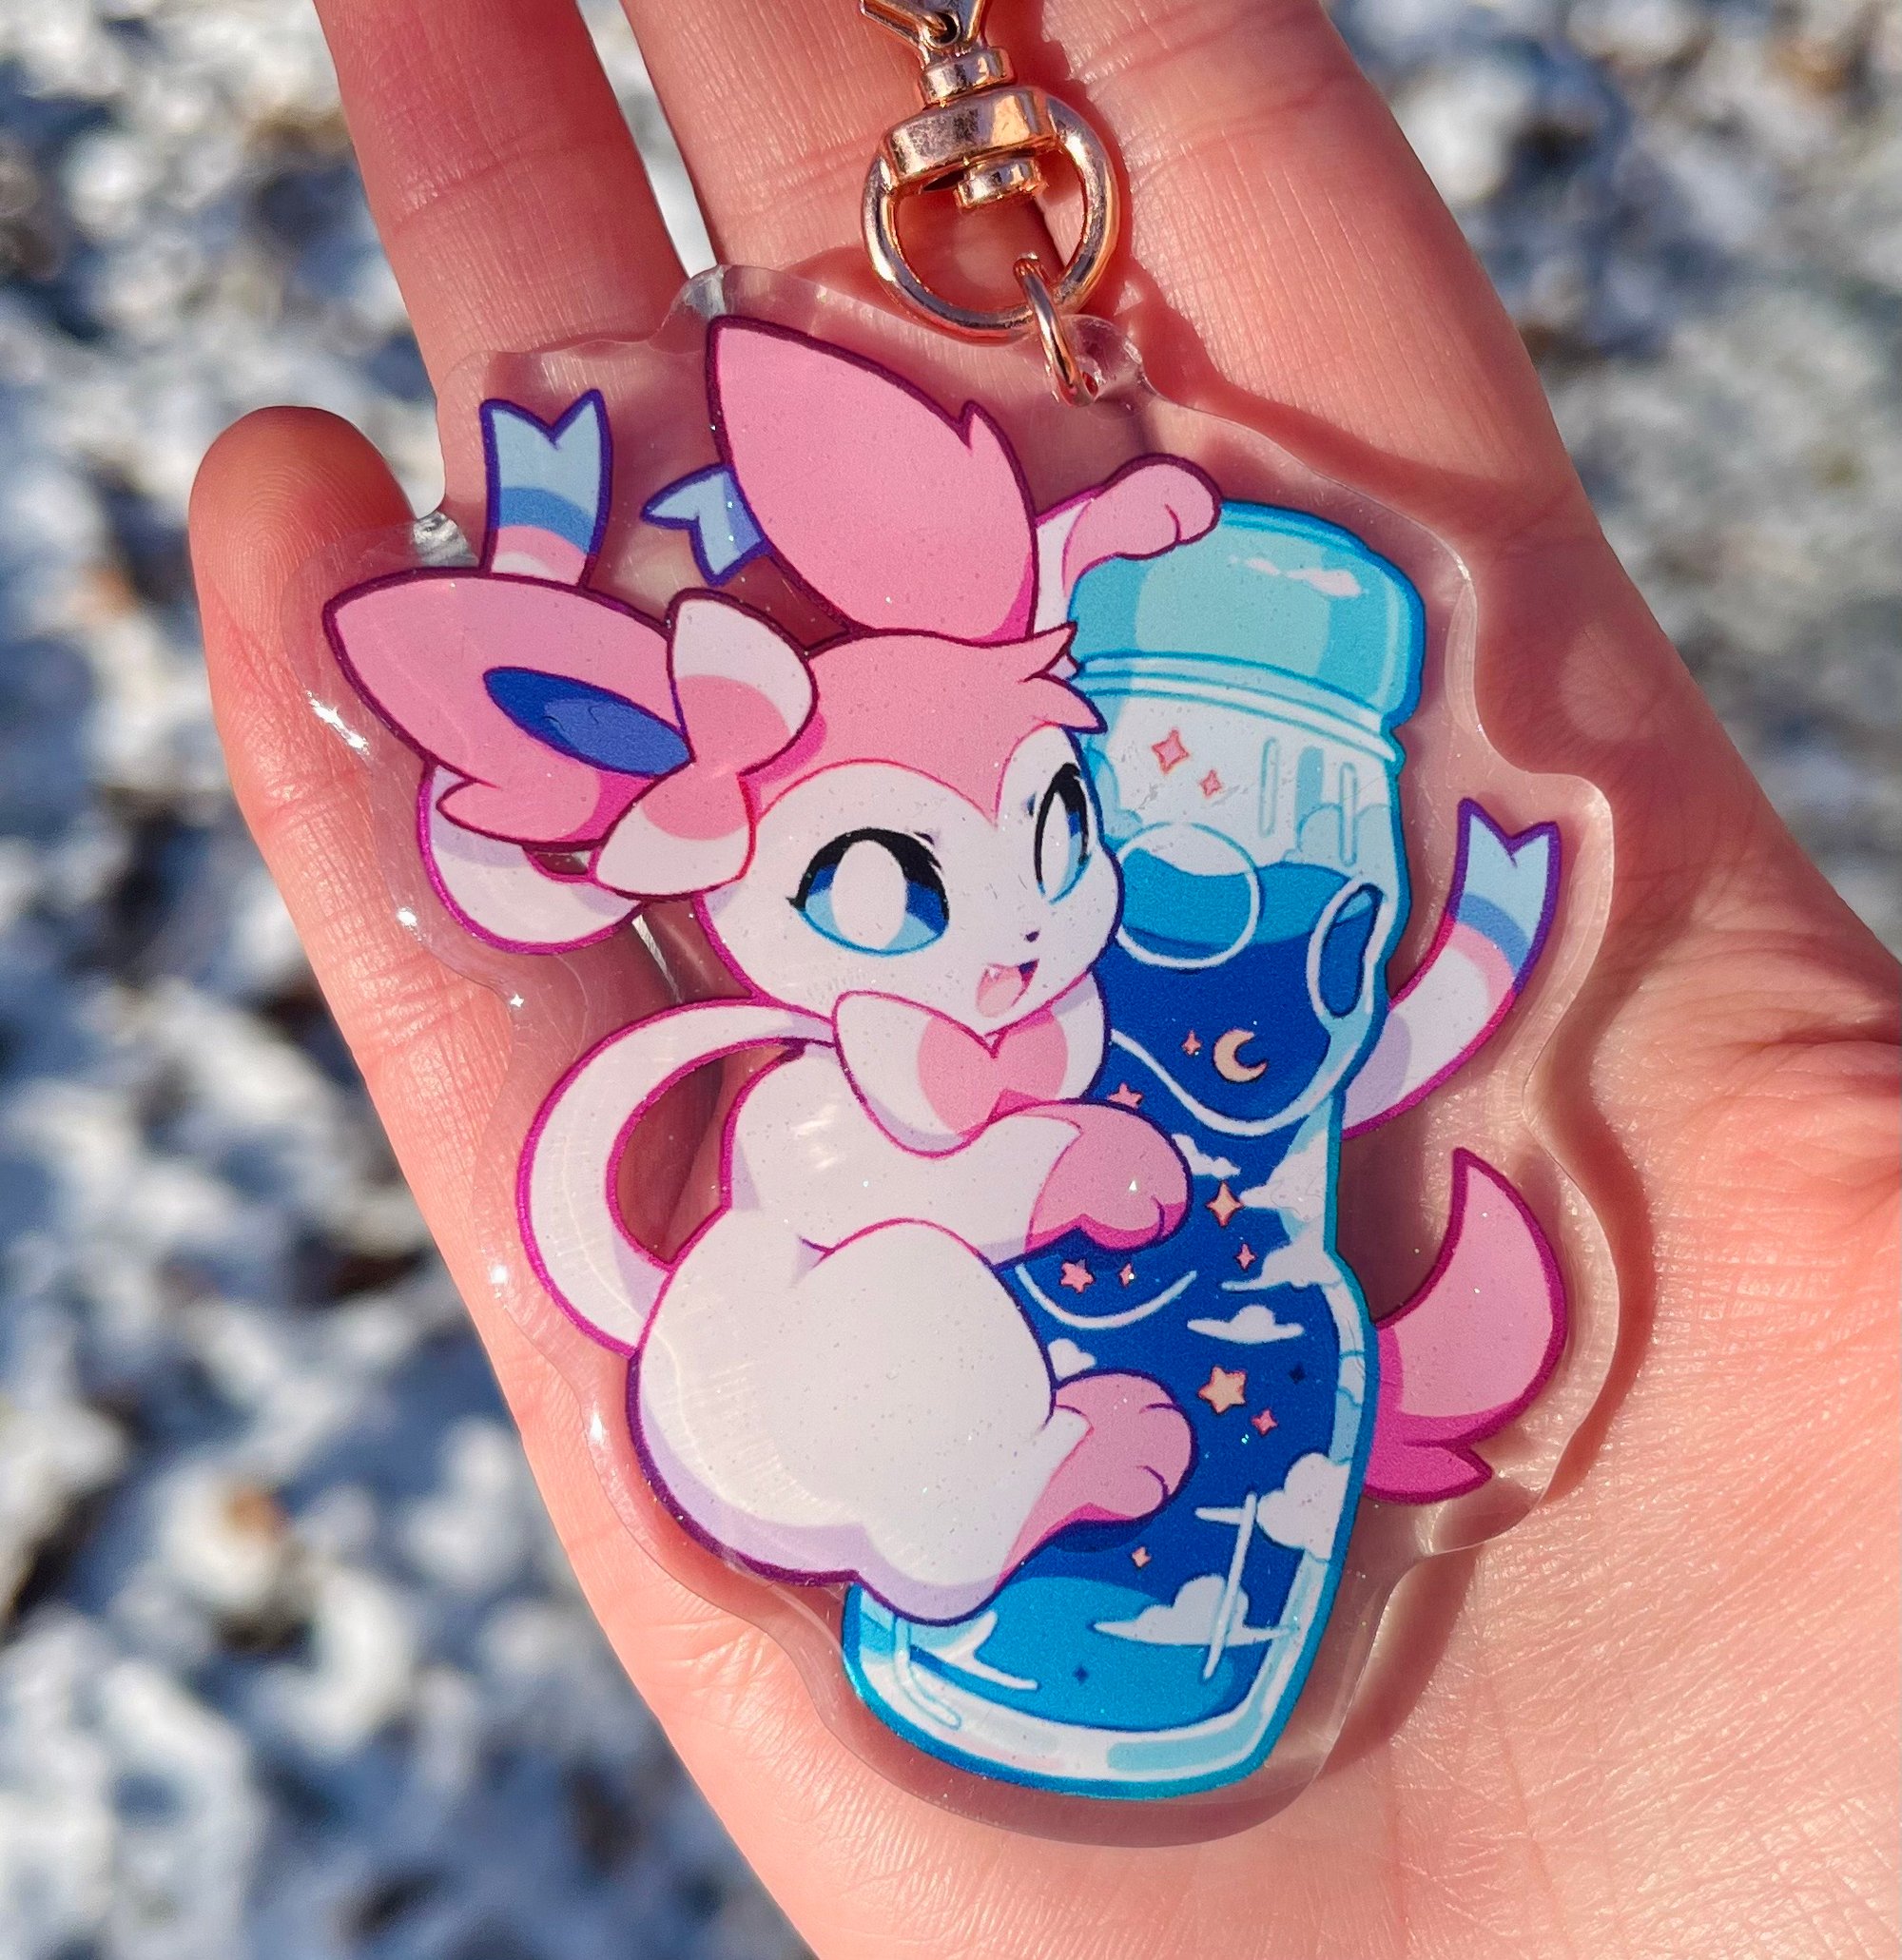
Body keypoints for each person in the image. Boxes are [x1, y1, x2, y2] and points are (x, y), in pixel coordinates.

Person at [186, 0, 1900, 1951]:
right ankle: (980, 1531)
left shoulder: (1093, 985)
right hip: (827, 1392)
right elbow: (855, 1171)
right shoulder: (842, 1085)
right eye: (912, 882)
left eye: (1065, 828)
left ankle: (1057, 1504)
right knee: (941, 1320)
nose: (1027, 922)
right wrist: (1038, 1170)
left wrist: (1463, 950)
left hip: (1203, 1423)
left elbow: (1288, 1042)